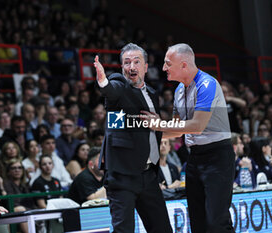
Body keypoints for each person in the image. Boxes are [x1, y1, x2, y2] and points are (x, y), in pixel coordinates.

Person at [141, 43, 235, 232]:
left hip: (218, 156)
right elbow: (177, 130)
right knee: (198, 221)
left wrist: (159, 125)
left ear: (183, 65)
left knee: (216, 221)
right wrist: (147, 132)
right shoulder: (179, 91)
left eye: (168, 63)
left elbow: (196, 126)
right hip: (195, 158)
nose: (163, 68)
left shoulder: (207, 84)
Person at [94, 43, 172, 233]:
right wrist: (103, 80)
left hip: (148, 176)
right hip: (122, 176)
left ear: (146, 67)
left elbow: (152, 133)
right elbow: (111, 89)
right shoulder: (119, 83)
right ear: (122, 68)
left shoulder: (153, 94)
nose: (132, 67)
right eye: (127, 63)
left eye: (137, 62)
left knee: (162, 229)